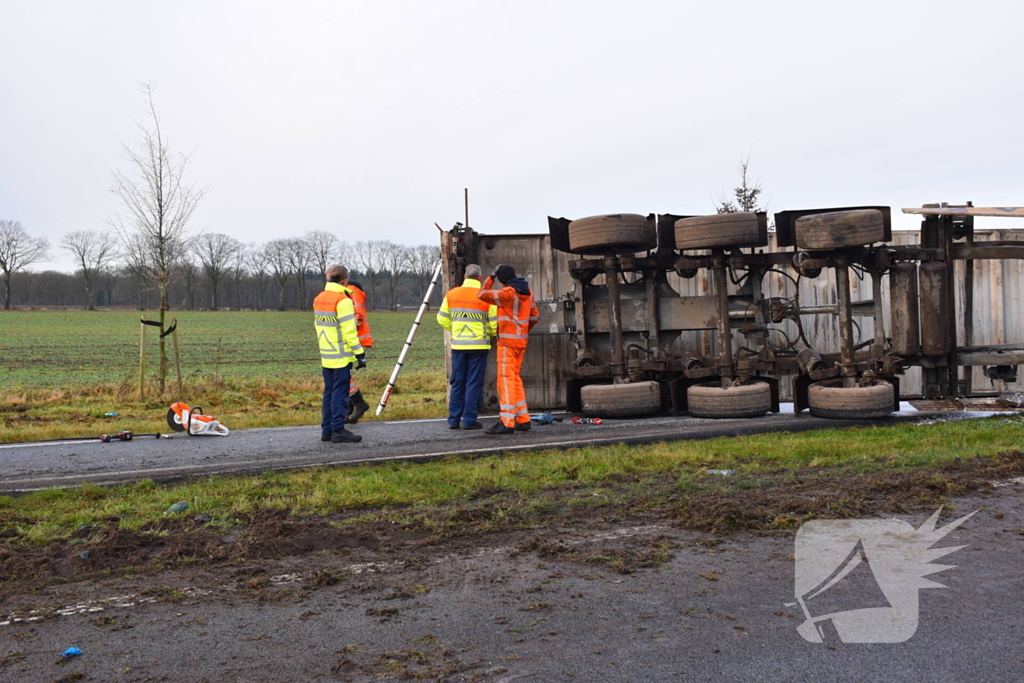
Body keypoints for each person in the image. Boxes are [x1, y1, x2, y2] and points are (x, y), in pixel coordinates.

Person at [478, 264, 539, 434]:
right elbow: (535, 316)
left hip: (507, 343)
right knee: (515, 379)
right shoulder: (528, 292)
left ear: (502, 279)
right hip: (521, 342)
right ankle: (523, 419)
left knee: (505, 381)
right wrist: (522, 331)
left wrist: (491, 277)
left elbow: (482, 294)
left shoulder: (507, 293)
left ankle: (506, 422)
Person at [437, 264, 498, 430]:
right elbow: (494, 324)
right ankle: (469, 421)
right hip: (479, 346)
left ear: (464, 276)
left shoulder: (452, 294)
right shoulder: (486, 295)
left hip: (459, 346)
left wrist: (456, 330)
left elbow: (441, 318)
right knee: (473, 383)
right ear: (480, 278)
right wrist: (487, 334)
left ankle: (454, 420)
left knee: (458, 383)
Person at [313, 265, 366, 443]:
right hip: (341, 355)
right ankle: (338, 429)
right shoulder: (343, 300)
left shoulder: (319, 298)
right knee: (340, 394)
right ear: (344, 281)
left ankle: (326, 430)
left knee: (328, 392)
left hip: (326, 353)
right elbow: (348, 331)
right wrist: (360, 353)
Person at [344, 280, 372, 423]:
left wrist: (346, 331)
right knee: (344, 374)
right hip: (349, 339)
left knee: (343, 374)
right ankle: (351, 407)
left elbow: (357, 315)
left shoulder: (351, 291)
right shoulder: (349, 291)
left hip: (349, 339)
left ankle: (358, 404)